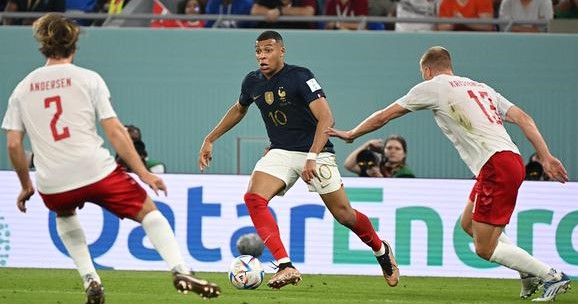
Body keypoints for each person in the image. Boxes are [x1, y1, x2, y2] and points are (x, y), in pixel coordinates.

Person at [1, 13, 219, 304]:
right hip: (95, 169)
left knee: (64, 214)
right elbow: (116, 131)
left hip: (52, 181)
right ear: (74, 45)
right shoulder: (88, 79)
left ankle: (90, 278)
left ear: (42, 45)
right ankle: (180, 269)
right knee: (149, 211)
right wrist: (143, 173)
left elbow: (14, 144)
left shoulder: (22, 89)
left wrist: (26, 184)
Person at [326, 46, 571, 302]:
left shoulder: (433, 86)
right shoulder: (482, 88)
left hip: (496, 165)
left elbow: (384, 116)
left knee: (484, 248)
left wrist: (352, 134)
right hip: (508, 159)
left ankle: (551, 275)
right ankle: (527, 272)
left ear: (427, 70)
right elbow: (525, 118)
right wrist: (545, 156)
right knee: (468, 224)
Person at [198, 30, 399, 290]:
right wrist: (210, 138)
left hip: (317, 151)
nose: (262, 56)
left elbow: (327, 119)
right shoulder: (252, 82)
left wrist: (312, 157)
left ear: (282, 51)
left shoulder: (300, 76)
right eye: (258, 51)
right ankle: (285, 265)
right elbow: (239, 109)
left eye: (268, 50)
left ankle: (381, 251)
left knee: (344, 215)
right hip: (280, 151)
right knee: (253, 198)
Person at [344, 136, 415, 177]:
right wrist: (367, 144)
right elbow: (349, 165)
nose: (393, 151)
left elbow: (397, 194)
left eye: (397, 149)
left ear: (404, 153)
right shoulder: (377, 167)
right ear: (383, 151)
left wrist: (379, 177)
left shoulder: (406, 174)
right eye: (389, 148)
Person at [250, 0, 320, 29]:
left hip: (299, 36)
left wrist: (280, 11)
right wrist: (271, 12)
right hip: (271, 35)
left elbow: (308, 12)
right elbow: (255, 10)